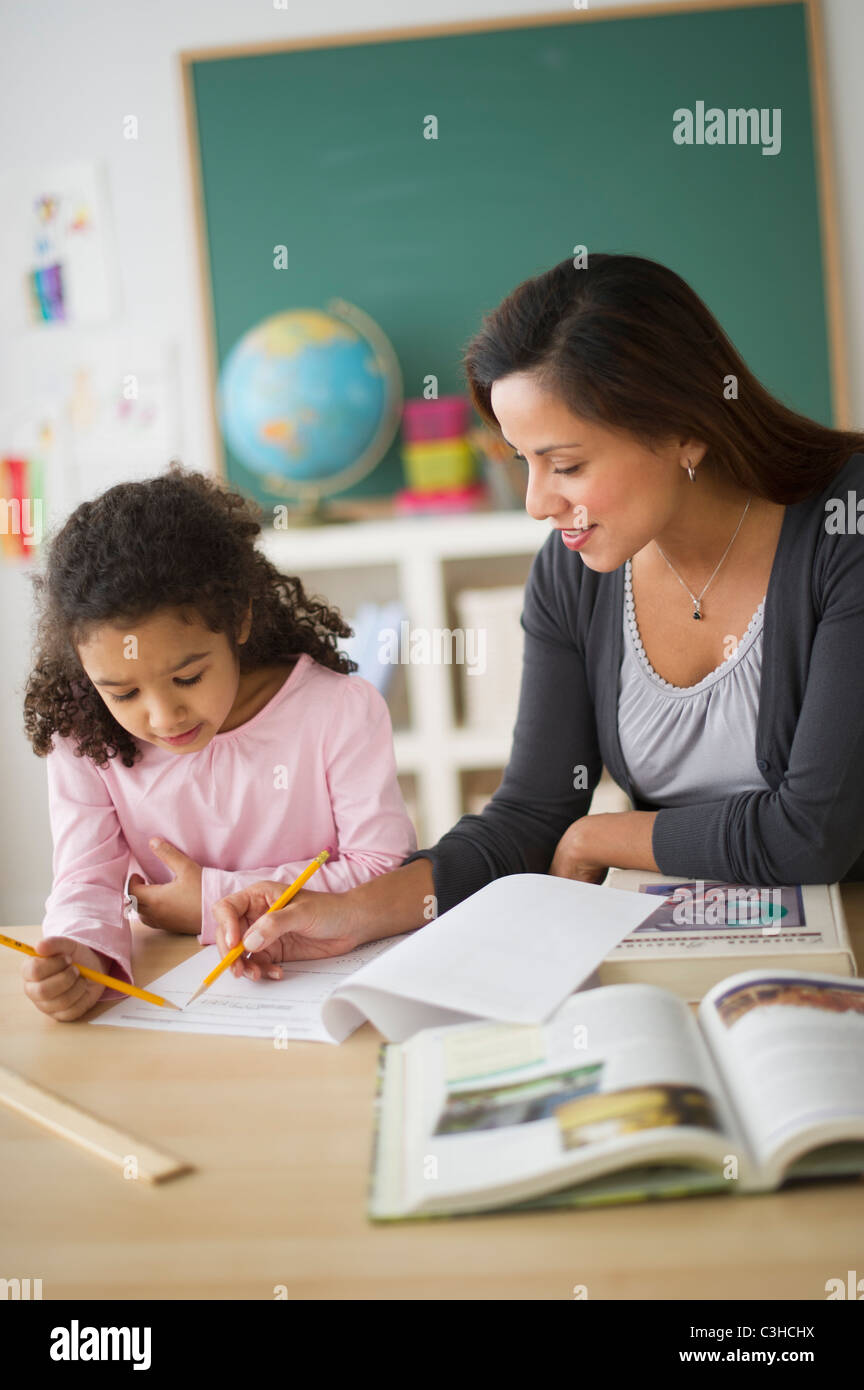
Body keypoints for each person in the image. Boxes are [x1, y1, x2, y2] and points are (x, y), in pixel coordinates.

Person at [210, 253, 864, 982]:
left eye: (567, 465)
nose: (536, 501)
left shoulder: (845, 529)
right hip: (701, 954)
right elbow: (530, 814)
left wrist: (599, 837)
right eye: (521, 459)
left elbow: (813, 833)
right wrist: (354, 912)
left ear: (686, 430)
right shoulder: (574, 571)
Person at [21, 465, 416, 1020]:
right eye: (123, 691)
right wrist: (77, 953)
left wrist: (210, 899)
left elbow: (383, 868)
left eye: (187, 679)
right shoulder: (85, 742)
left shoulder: (338, 712)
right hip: (179, 997)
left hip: (329, 984)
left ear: (240, 618)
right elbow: (86, 878)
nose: (163, 716)